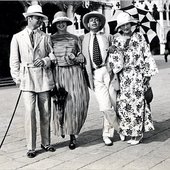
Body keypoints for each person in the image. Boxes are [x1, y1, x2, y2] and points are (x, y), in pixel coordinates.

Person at [10, 4, 55, 158]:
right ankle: (31, 146)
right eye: (37, 18)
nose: (40, 21)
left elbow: (53, 56)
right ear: (29, 18)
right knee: (29, 112)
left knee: (46, 112)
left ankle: (46, 142)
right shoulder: (17, 37)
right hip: (26, 78)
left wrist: (45, 60)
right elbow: (14, 60)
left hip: (43, 78)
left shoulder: (45, 36)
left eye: (41, 18)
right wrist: (17, 79)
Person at [108, 12, 158, 145]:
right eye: (123, 25)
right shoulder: (117, 40)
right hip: (124, 76)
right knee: (125, 104)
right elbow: (116, 63)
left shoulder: (139, 37)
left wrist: (147, 74)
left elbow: (146, 54)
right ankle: (130, 131)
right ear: (119, 27)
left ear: (132, 24)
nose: (126, 27)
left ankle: (138, 133)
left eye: (128, 24)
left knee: (138, 103)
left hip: (138, 74)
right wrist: (115, 52)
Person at [80, 11, 122, 146]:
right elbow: (78, 53)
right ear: (87, 24)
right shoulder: (83, 38)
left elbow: (118, 48)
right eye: (91, 20)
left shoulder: (108, 36)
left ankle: (107, 134)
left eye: (96, 20)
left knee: (113, 103)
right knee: (105, 106)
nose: (94, 22)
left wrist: (113, 49)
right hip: (95, 74)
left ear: (100, 23)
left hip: (108, 71)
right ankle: (120, 128)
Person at [50, 11, 89, 150]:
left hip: (74, 73)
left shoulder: (74, 38)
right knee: (61, 103)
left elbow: (81, 57)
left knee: (76, 103)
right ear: (55, 24)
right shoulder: (51, 39)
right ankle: (62, 128)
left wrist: (75, 57)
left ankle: (73, 135)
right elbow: (48, 58)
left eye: (63, 22)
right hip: (59, 73)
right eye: (58, 22)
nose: (61, 24)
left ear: (67, 23)